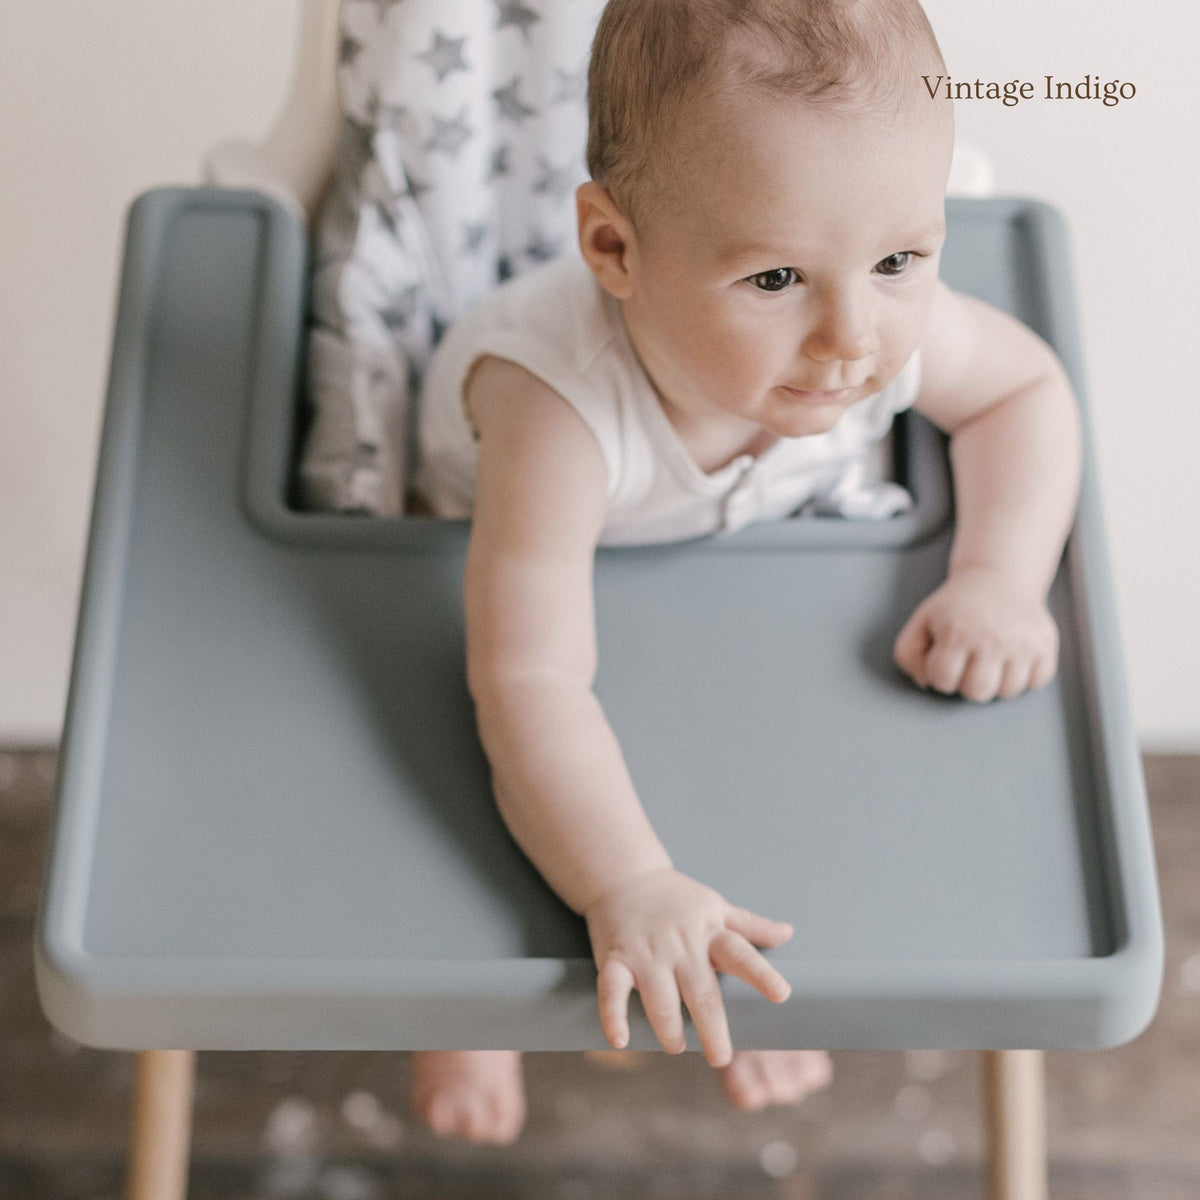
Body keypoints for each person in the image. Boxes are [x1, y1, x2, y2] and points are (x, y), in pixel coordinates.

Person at [406, 0, 1082, 1144]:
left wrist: (1000, 578)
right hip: (520, 550)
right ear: (615, 249)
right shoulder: (557, 416)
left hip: (729, 569)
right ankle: (459, 998)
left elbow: (1027, 392)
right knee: (473, 759)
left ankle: (744, 967)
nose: (851, 337)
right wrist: (623, 886)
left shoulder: (865, 322)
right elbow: (527, 686)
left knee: (796, 744)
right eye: (776, 280)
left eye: (900, 259)